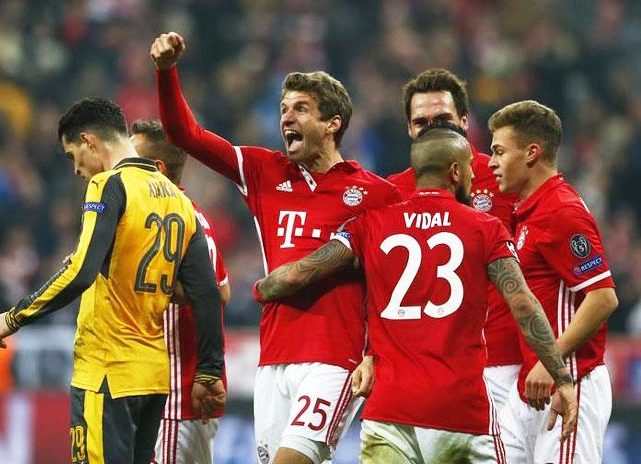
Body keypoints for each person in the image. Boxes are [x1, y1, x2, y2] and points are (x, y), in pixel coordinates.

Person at [255, 125, 578, 463]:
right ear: (455, 172)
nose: (473, 174)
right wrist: (562, 377)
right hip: (461, 412)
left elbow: (297, 274)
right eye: (469, 167)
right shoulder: (486, 228)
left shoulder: (370, 224)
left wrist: (263, 288)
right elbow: (523, 304)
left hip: (389, 413)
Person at [151, 32, 401, 464]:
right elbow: (184, 134)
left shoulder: (375, 194)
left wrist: (377, 355)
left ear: (332, 123)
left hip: (334, 359)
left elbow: (392, 285)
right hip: (274, 359)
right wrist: (166, 71)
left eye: (301, 109)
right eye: (284, 109)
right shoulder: (265, 171)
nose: (286, 117)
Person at [0, 98, 225, 464]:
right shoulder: (177, 199)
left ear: (89, 141)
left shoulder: (108, 185)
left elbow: (81, 271)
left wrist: (15, 316)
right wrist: (209, 370)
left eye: (72, 156)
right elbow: (207, 293)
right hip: (153, 378)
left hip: (107, 372)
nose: (76, 169)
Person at [488, 100, 618, 463]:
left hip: (571, 381)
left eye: (499, 151)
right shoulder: (528, 211)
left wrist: (552, 362)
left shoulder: (561, 210)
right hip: (531, 386)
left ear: (532, 152)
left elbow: (603, 297)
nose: (491, 162)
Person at [387, 69, 521, 411]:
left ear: (464, 120)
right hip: (423, 368)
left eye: (444, 118)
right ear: (409, 129)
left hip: (502, 365)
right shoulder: (389, 194)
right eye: (422, 121)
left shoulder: (506, 179)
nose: (433, 128)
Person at [130, 119, 230, 464]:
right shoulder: (161, 216)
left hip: (177, 394)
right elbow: (225, 287)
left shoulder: (185, 219)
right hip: (156, 391)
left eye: (132, 157)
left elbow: (217, 294)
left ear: (157, 169)